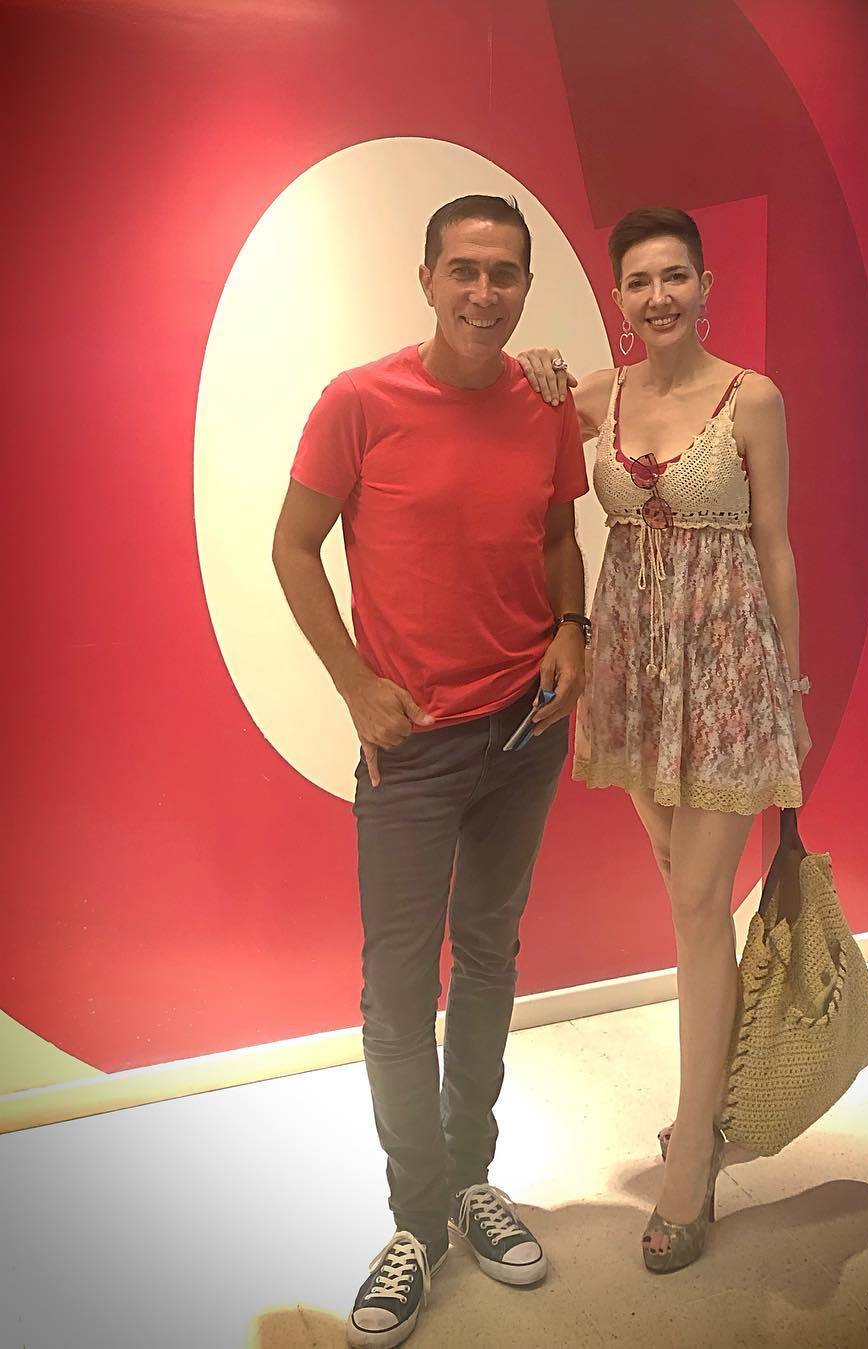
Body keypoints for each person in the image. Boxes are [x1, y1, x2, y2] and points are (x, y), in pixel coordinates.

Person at [272, 194, 590, 1347]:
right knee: (399, 992)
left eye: (504, 273)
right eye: (464, 269)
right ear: (426, 278)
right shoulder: (358, 401)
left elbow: (558, 534)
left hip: (525, 731)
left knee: (491, 956)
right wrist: (355, 682)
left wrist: (574, 627)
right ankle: (416, 1220)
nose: (484, 292)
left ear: (525, 287)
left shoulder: (544, 402)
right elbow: (292, 545)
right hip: (408, 747)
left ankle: (469, 1178)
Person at [518, 205, 811, 1274]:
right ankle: (709, 1109)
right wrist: (532, 366)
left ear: (705, 283)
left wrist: (790, 686)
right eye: (639, 281)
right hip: (636, 671)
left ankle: (694, 1154)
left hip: (726, 673)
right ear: (618, 296)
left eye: (675, 276)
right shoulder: (599, 397)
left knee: (695, 903)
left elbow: (775, 546)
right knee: (683, 895)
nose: (658, 297)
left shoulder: (752, 398)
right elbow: (506, 425)